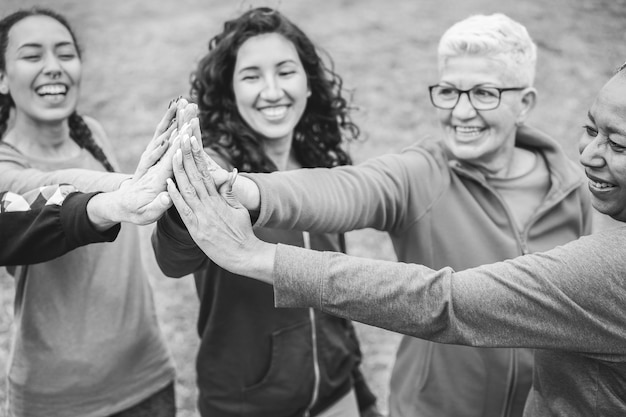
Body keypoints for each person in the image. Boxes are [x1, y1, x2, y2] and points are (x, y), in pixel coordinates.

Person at [158, 13, 592, 417]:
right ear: (229, 90)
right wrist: (232, 189)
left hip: (348, 392)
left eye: (483, 93)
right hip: (254, 403)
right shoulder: (417, 175)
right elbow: (348, 191)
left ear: (525, 102)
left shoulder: (574, 191)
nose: (461, 111)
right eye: (449, 91)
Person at [151, 7, 380, 417]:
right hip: (245, 406)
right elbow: (172, 259)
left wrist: (359, 393)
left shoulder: (323, 168)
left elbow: (333, 297)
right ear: (229, 91)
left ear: (309, 84)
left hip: (338, 396)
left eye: (285, 72)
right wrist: (186, 199)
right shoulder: (218, 172)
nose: (272, 91)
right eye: (252, 76)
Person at [0, 8, 183, 416]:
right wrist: (124, 188)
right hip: (59, 400)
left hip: (147, 375)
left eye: (65, 53)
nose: (53, 67)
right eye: (32, 56)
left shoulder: (93, 133)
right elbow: (48, 188)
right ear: (1, 77)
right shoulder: (5, 167)